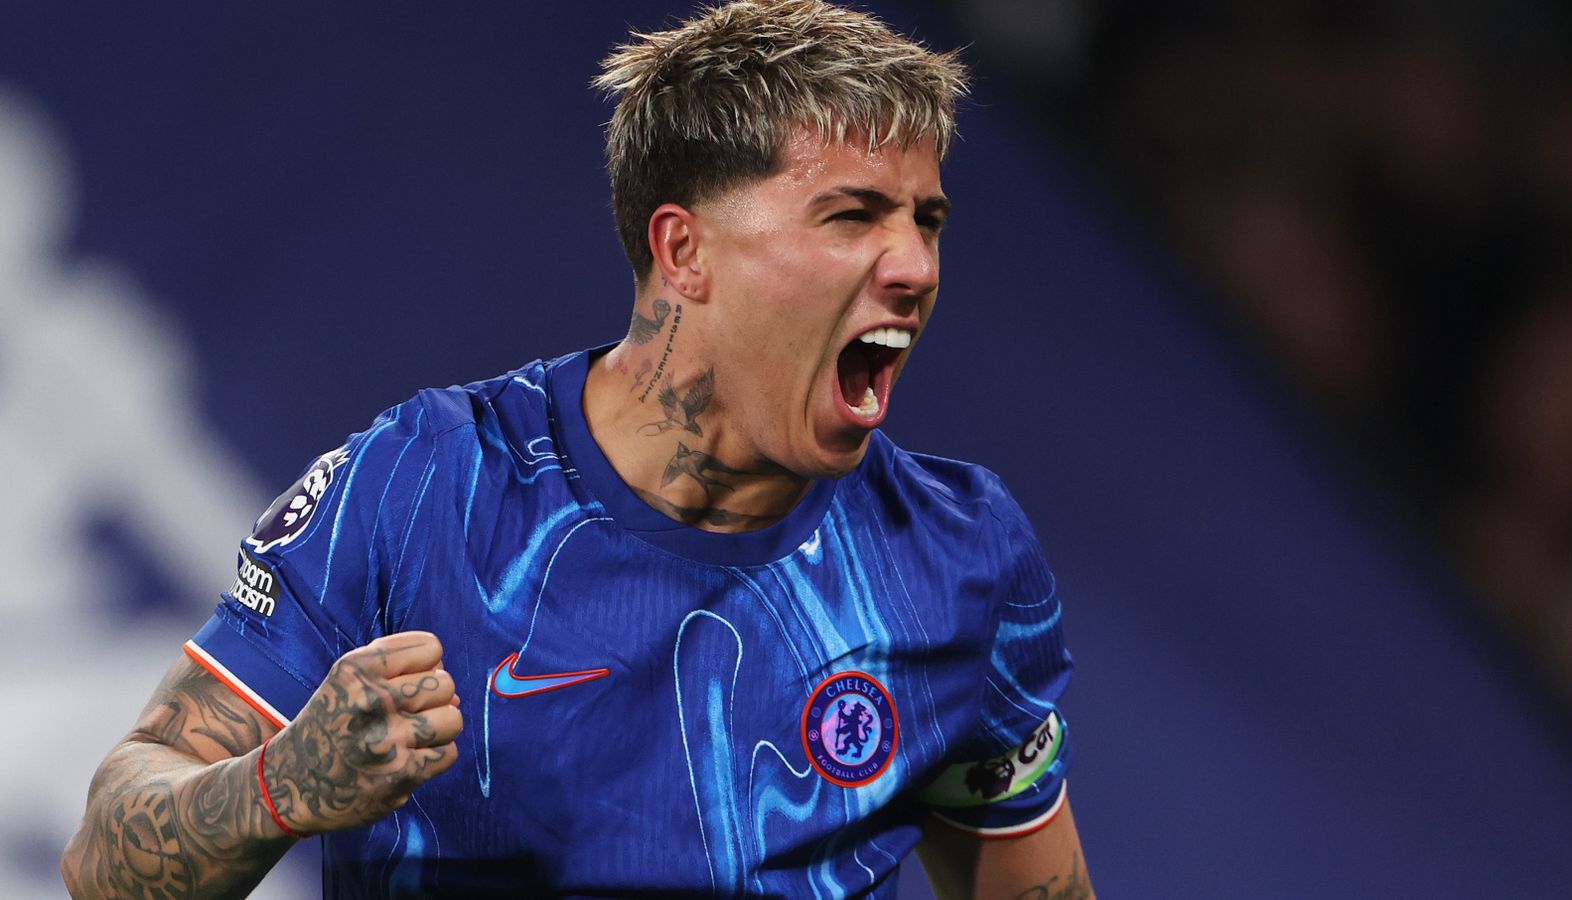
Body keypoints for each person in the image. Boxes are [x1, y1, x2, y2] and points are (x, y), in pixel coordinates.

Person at [60, 1, 1094, 897]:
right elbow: (104, 865)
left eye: (927, 220)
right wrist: (278, 787)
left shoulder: (960, 557)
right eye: (853, 216)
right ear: (683, 251)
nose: (915, 266)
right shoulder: (428, 486)